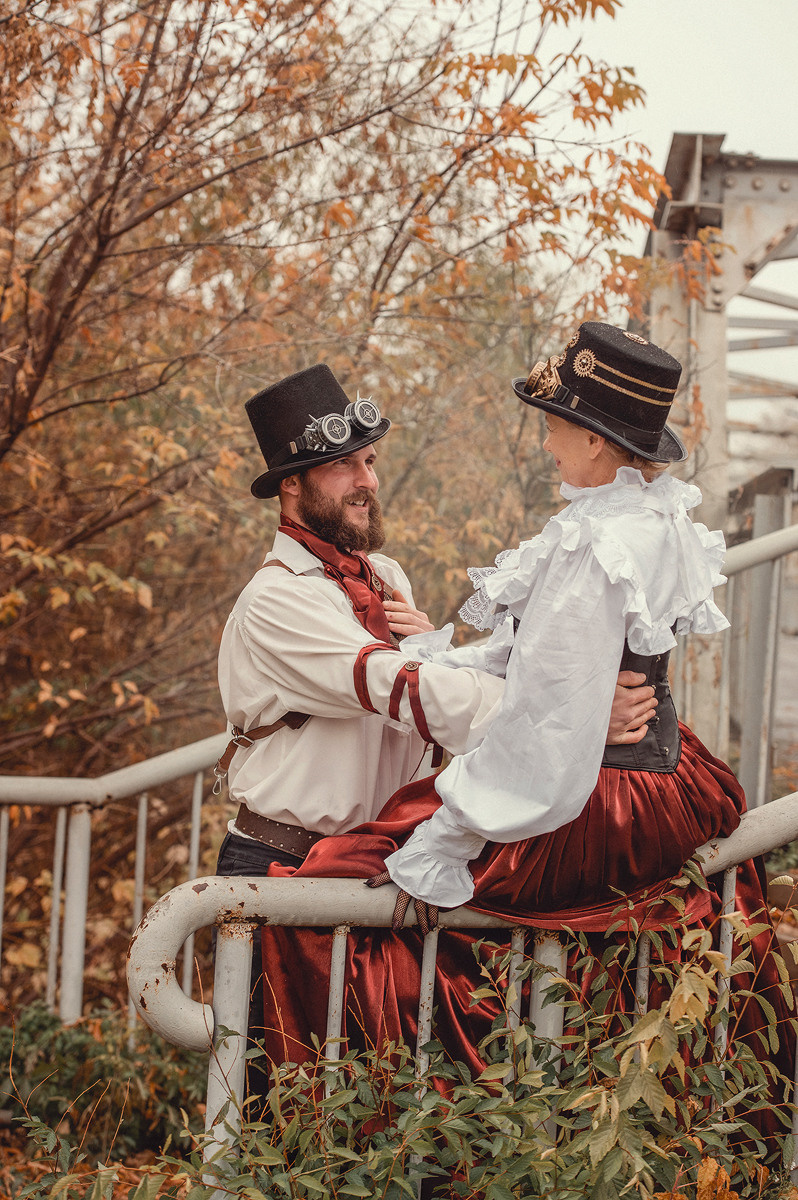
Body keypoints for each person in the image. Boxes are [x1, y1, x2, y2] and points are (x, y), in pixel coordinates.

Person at [259, 326, 793, 1143]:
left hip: (594, 796)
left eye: (552, 424)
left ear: (592, 440)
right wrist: (443, 653)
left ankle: (389, 1136)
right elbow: (540, 664)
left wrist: (447, 833)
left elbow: (550, 729)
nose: (543, 440)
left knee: (330, 891)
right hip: (669, 779)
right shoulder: (648, 519)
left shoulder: (593, 543)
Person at [216, 360, 657, 1084]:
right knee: (283, 1105)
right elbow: (401, 691)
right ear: (290, 485)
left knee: (380, 1101)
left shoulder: (385, 577)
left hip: (374, 868)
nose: (367, 482)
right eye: (342, 468)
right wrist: (568, 717)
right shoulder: (274, 602)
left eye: (370, 461)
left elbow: (426, 697)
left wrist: (443, 657)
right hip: (284, 868)